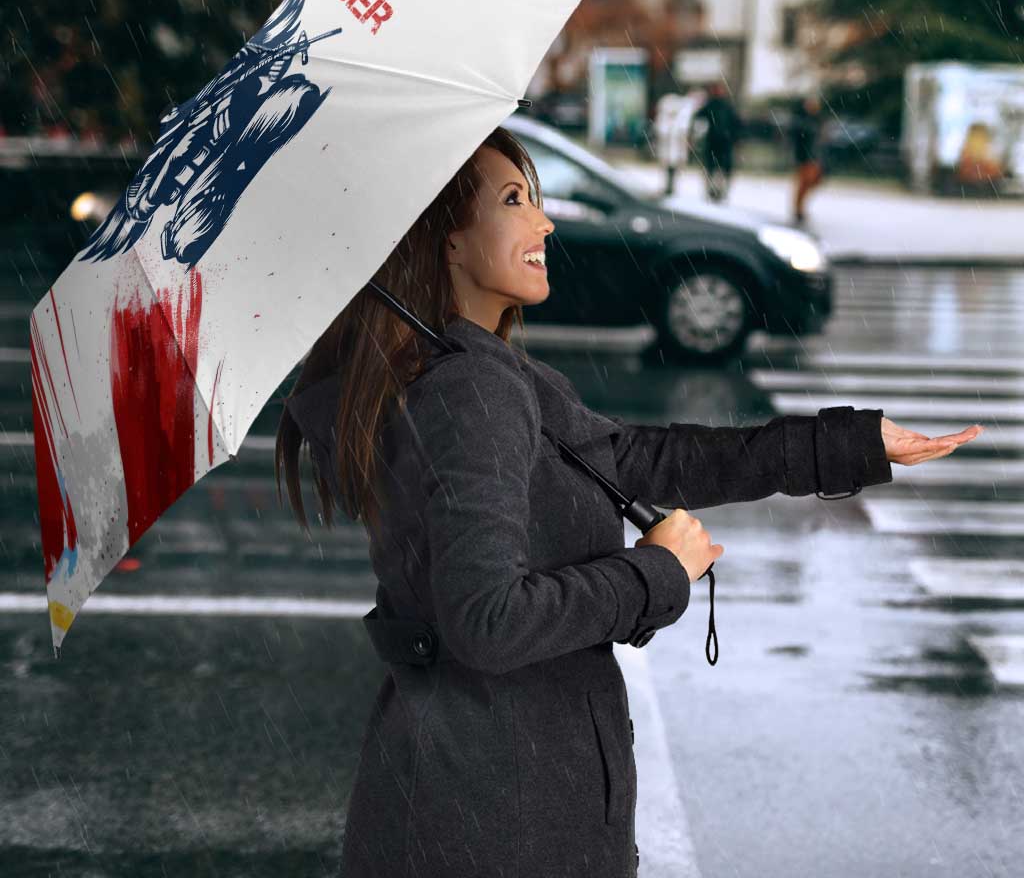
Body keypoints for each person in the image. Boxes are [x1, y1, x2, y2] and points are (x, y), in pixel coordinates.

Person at [274, 125, 979, 878]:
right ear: (444, 239)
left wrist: (850, 445)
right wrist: (655, 573)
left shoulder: (476, 372)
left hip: (479, 797)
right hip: (498, 816)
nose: (544, 222)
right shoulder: (469, 391)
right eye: (514, 200)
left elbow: (640, 459)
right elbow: (487, 621)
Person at [692, 80, 742, 203]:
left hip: (723, 142)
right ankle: (713, 191)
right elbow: (698, 118)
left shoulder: (725, 106)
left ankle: (719, 191)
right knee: (713, 168)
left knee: (720, 169)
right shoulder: (712, 105)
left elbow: (736, 124)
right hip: (715, 142)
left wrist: (735, 138)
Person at [790, 93, 826, 224]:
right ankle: (798, 209)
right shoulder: (802, 121)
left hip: (814, 157)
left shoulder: (817, 120)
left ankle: (799, 208)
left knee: (812, 182)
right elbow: (799, 140)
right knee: (804, 183)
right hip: (805, 157)